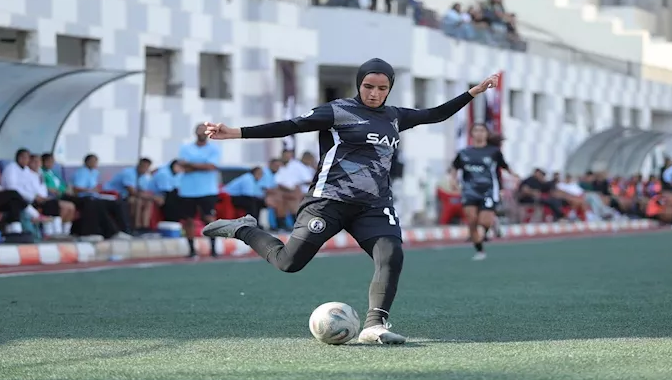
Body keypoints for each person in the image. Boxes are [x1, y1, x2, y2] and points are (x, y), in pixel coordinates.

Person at [202, 58, 499, 345]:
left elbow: (436, 114)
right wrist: (236, 133)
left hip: (374, 205)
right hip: (329, 201)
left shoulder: (395, 116)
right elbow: (290, 125)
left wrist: (473, 92)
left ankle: (374, 325)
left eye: (382, 88)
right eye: (369, 86)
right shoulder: (338, 111)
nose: (375, 93)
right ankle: (243, 228)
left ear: (390, 89)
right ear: (359, 84)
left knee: (391, 254)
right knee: (288, 263)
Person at [451, 123, 511, 260]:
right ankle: (479, 250)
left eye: (482, 131)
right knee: (472, 221)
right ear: (471, 134)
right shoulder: (464, 152)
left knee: (484, 222)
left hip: (488, 190)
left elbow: (504, 167)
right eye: (476, 130)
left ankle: (491, 225)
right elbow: (454, 168)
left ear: (486, 134)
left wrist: (513, 176)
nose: (479, 133)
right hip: (469, 191)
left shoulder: (494, 152)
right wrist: (453, 181)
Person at [178, 124, 222, 258]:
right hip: (188, 190)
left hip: (207, 190)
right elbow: (182, 166)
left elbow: (212, 166)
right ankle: (191, 250)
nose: (202, 133)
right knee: (189, 220)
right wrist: (201, 165)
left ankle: (213, 249)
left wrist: (191, 165)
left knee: (209, 219)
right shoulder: (186, 148)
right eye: (199, 130)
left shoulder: (214, 148)